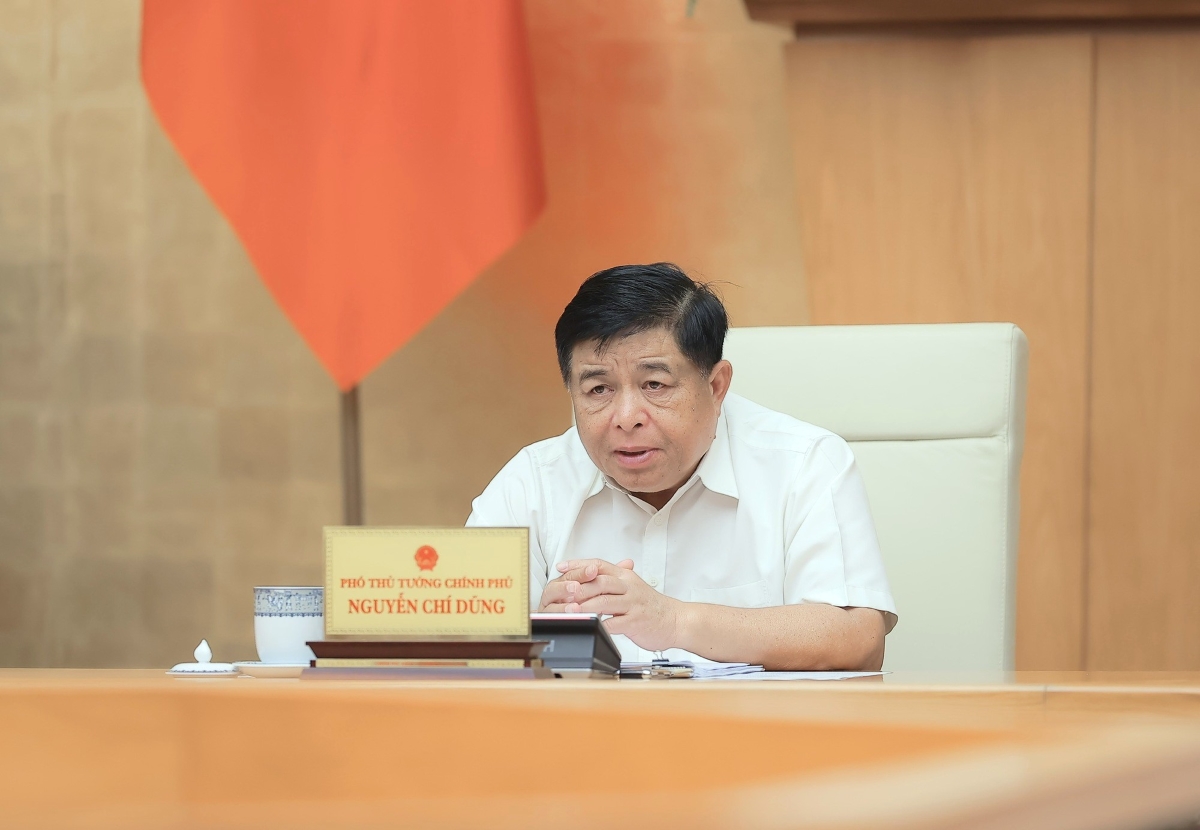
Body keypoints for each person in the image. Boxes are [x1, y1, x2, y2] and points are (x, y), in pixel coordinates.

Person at [467, 263, 896, 669]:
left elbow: (859, 638)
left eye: (655, 384)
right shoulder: (531, 482)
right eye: (599, 389)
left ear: (716, 385)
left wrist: (674, 621)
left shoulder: (805, 463)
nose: (626, 417)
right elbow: (465, 642)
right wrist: (536, 636)